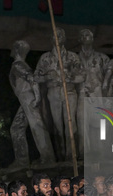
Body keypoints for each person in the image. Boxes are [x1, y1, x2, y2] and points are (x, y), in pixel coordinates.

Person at [35, 27, 81, 161]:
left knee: (70, 123)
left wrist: (68, 77)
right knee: (57, 125)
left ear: (64, 38)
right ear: (51, 39)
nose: (57, 37)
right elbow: (36, 77)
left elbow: (81, 76)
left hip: (70, 91)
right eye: (55, 35)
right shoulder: (45, 58)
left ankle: (71, 155)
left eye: (60, 35)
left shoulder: (72, 57)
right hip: (53, 91)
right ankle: (60, 155)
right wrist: (48, 77)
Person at [9, 40, 56, 165]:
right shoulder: (20, 64)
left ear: (17, 49)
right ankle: (22, 159)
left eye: (13, 48)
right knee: (17, 128)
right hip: (25, 99)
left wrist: (37, 97)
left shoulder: (18, 65)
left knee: (37, 126)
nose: (11, 50)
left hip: (28, 98)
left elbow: (32, 79)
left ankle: (47, 158)